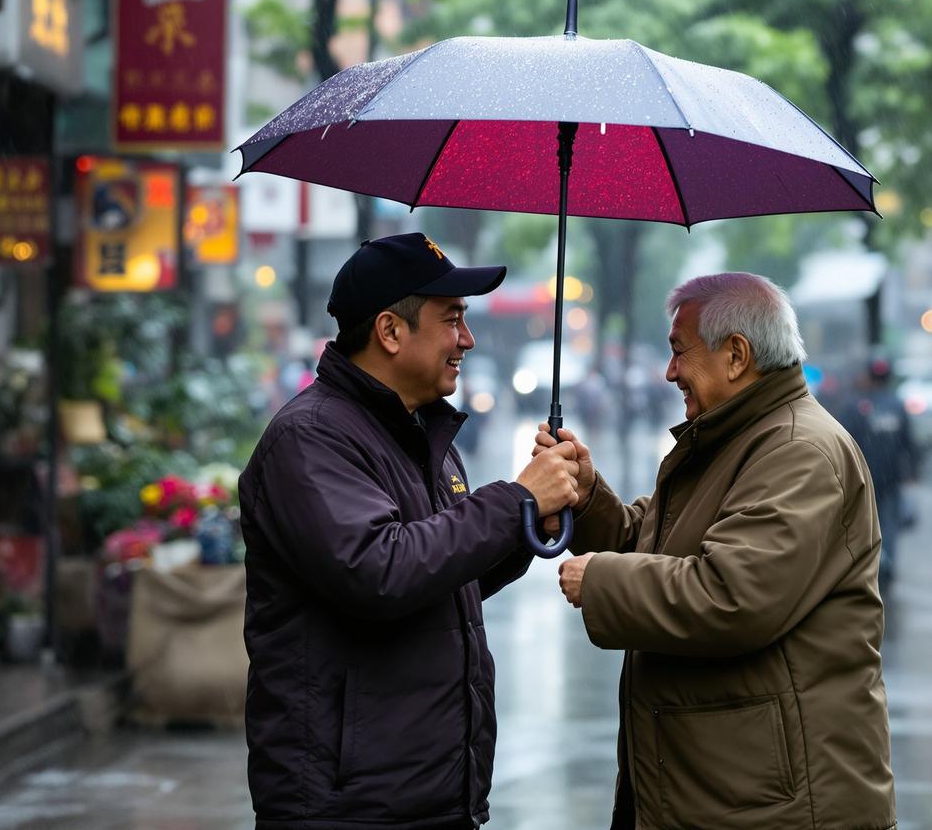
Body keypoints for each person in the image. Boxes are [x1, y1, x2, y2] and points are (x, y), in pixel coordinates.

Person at [238, 233, 581, 829]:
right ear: (390, 332)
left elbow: (443, 573)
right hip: (348, 806)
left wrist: (528, 523)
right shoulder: (311, 437)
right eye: (452, 321)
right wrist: (517, 498)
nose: (467, 341)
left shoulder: (422, 434)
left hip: (433, 794)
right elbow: (379, 573)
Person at [536, 272, 895, 829]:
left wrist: (600, 581)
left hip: (778, 806)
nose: (669, 371)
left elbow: (732, 594)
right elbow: (658, 546)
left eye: (680, 351)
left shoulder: (798, 450)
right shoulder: (739, 437)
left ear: (736, 355)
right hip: (729, 790)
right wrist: (588, 501)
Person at [837, 356, 921, 588]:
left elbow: (842, 441)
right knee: (890, 522)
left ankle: (871, 563)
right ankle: (887, 561)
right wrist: (912, 473)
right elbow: (909, 443)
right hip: (892, 476)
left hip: (863, 477)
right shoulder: (897, 406)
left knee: (865, 522)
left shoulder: (855, 406)